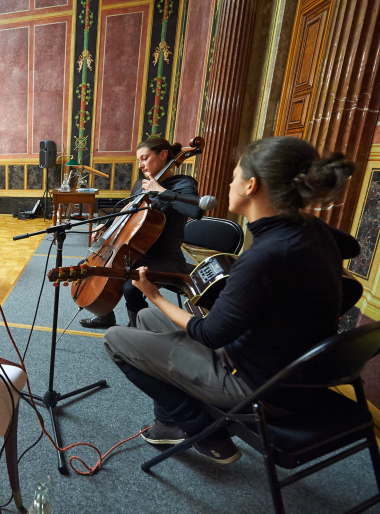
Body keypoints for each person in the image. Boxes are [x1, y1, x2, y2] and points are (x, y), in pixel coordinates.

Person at [104, 136, 359, 465]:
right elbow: (351, 246)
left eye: (235, 176)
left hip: (258, 386)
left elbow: (209, 334)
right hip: (293, 370)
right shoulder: (309, 228)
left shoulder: (266, 255)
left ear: (251, 186)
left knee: (115, 338)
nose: (229, 184)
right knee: (145, 319)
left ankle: (201, 430)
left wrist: (153, 294)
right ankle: (169, 422)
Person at [79, 137, 202, 329]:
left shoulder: (183, 184)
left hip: (165, 258)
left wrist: (161, 191)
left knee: (131, 286)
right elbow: (128, 211)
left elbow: (196, 211)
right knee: (89, 267)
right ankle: (104, 314)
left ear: (163, 155)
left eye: (144, 158)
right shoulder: (142, 184)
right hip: (137, 251)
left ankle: (137, 329)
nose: (140, 165)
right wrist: (106, 224)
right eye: (138, 160)